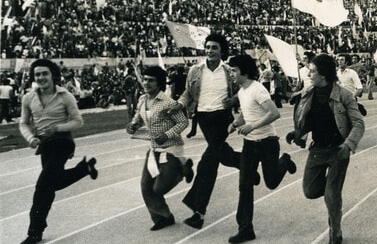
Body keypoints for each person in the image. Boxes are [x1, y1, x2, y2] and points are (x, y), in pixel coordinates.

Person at [18, 59, 99, 244]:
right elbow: (23, 122)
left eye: (44, 73)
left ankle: (34, 232)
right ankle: (83, 169)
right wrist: (30, 138)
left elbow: (78, 121)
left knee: (42, 187)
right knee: (51, 184)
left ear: (53, 75)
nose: (41, 77)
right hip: (44, 145)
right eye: (37, 74)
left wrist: (57, 128)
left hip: (63, 143)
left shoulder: (65, 96)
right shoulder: (28, 98)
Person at [287, 53, 365, 244]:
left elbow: (358, 123)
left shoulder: (344, 95)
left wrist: (349, 144)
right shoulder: (307, 94)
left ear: (323, 75)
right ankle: (334, 196)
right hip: (318, 150)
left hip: (339, 150)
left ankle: (335, 232)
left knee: (331, 195)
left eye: (312, 71)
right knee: (310, 191)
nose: (309, 75)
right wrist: (297, 133)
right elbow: (307, 120)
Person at [171, 33, 243, 229]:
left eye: (214, 47)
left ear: (221, 51)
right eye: (208, 47)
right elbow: (187, 93)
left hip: (222, 118)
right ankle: (248, 163)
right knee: (223, 155)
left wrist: (234, 99)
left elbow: (244, 87)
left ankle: (199, 212)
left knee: (207, 164)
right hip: (203, 118)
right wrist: (179, 105)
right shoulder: (195, 70)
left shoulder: (229, 71)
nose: (210, 51)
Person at [227, 55, 297, 243]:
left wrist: (252, 126)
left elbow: (274, 113)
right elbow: (246, 112)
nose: (231, 74)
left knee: (271, 182)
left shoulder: (258, 89)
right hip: (249, 145)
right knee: (244, 186)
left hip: (267, 142)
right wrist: (236, 123)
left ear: (244, 71)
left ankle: (285, 161)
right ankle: (245, 228)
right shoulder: (242, 91)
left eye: (234, 70)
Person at [126, 66, 194, 232]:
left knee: (159, 188)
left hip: (171, 149)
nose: (146, 83)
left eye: (151, 80)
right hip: (154, 149)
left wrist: (167, 134)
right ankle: (163, 217)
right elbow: (139, 118)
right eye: (145, 79)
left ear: (159, 83)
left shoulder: (167, 102)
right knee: (146, 186)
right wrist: (133, 125)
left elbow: (183, 122)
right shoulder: (143, 100)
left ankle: (182, 169)